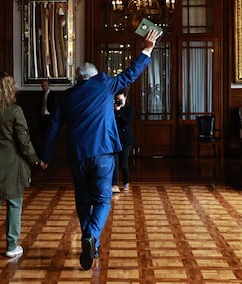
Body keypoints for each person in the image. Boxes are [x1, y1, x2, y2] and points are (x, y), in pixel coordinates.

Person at [39, 30, 159, 270]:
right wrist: (147, 49)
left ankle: (89, 237)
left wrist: (45, 156)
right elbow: (131, 74)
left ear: (77, 78)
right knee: (103, 198)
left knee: (83, 199)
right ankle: (91, 235)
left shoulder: (65, 97)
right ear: (94, 76)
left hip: (78, 155)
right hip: (103, 153)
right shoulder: (105, 84)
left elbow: (52, 128)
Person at [0, 71, 44, 268]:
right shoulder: (14, 111)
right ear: (9, 89)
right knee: (14, 203)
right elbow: (24, 142)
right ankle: (12, 245)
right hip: (11, 166)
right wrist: (36, 161)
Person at [112, 90, 134, 193]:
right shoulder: (112, 109)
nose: (118, 101)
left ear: (125, 97)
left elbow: (126, 122)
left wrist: (119, 111)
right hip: (115, 139)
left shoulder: (130, 109)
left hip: (126, 140)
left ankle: (126, 182)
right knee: (114, 162)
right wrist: (114, 110)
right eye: (117, 100)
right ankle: (115, 184)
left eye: (120, 100)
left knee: (123, 163)